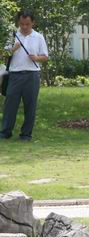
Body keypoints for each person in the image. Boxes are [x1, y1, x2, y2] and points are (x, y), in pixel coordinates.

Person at [0, 11, 49, 142]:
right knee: (10, 105)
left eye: (27, 24)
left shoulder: (38, 37)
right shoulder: (13, 36)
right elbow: (3, 54)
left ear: (33, 23)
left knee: (30, 106)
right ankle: (5, 132)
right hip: (14, 75)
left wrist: (36, 58)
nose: (24, 26)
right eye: (22, 24)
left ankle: (26, 134)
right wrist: (14, 48)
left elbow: (45, 56)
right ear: (18, 22)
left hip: (32, 75)